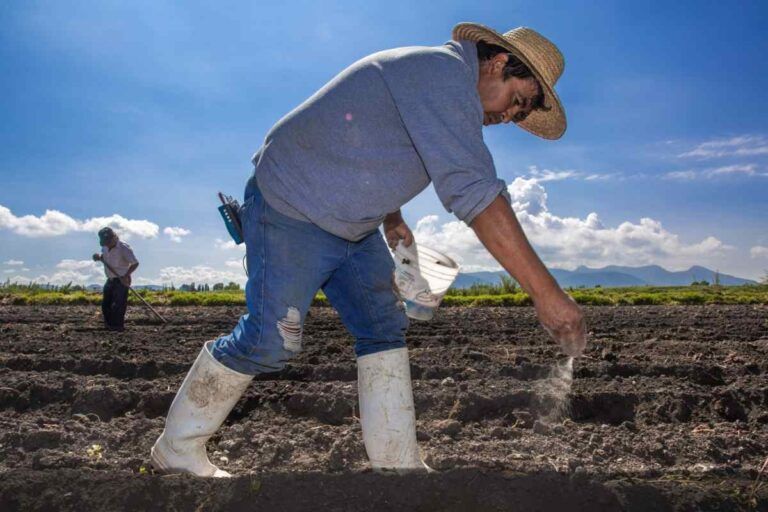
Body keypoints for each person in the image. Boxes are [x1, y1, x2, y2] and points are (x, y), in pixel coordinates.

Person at [151, 22, 587, 477]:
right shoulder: (442, 76)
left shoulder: (438, 86)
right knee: (269, 342)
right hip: (291, 207)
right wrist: (546, 293)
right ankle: (177, 449)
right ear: (497, 62)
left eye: (521, 116)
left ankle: (397, 466)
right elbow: (474, 192)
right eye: (517, 101)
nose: (509, 118)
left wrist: (392, 215)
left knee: (383, 328)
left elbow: (367, 140)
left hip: (351, 231)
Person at [92, 227, 139, 332]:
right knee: (106, 304)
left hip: (121, 280)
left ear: (114, 237)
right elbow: (104, 257)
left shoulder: (124, 248)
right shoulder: (104, 247)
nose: (106, 245)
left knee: (119, 305)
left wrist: (126, 275)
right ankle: (108, 326)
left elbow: (135, 263)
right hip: (110, 279)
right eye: (105, 243)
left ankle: (117, 327)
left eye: (108, 242)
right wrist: (98, 257)